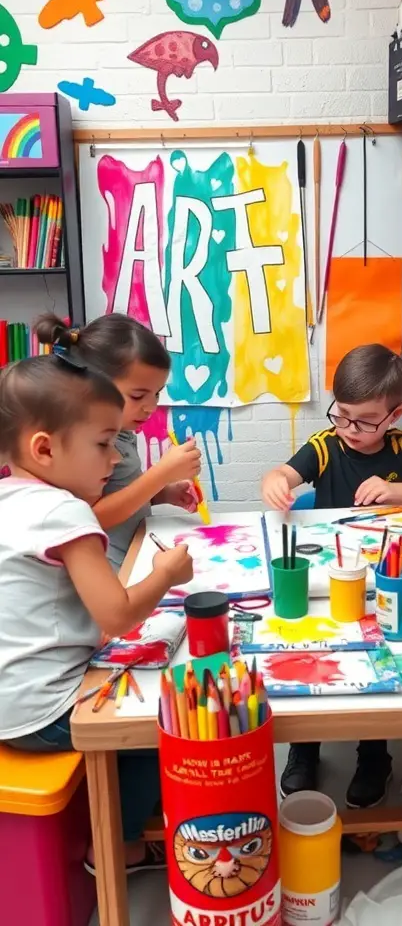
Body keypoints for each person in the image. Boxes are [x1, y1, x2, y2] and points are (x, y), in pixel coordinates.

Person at [0, 352, 193, 871]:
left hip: (9, 699)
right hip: (41, 712)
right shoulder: (65, 510)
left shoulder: (8, 497)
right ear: (44, 449)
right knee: (165, 719)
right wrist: (167, 575)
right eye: (103, 445)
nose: (114, 461)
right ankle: (122, 845)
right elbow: (117, 617)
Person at [261, 344, 402, 808]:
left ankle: (374, 754)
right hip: (327, 578)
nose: (350, 429)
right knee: (311, 655)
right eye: (342, 416)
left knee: (374, 661)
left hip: (381, 576)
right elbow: (281, 472)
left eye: (364, 421)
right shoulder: (325, 445)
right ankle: (303, 750)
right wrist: (276, 483)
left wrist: (396, 489)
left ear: (395, 414)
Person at [35, 313, 202, 571]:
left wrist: (163, 493)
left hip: (133, 555)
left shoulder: (122, 432)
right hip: (106, 572)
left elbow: (120, 489)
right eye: (138, 396)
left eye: (156, 393)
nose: (151, 407)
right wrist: (161, 474)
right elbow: (91, 517)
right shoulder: (85, 444)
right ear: (92, 385)